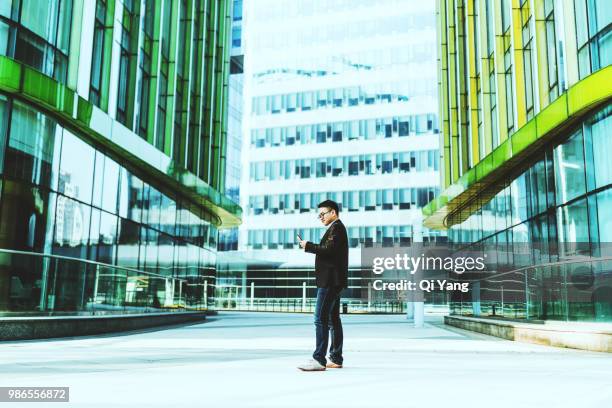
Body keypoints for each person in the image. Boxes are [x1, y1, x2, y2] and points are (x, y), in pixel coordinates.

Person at [296, 200, 348, 371]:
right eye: (319, 215)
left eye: (323, 214)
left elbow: (328, 250)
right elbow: (329, 250)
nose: (320, 218)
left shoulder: (337, 228)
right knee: (333, 319)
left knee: (320, 319)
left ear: (333, 212)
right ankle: (336, 357)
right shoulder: (335, 228)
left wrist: (307, 245)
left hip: (329, 281)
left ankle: (319, 359)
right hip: (333, 280)